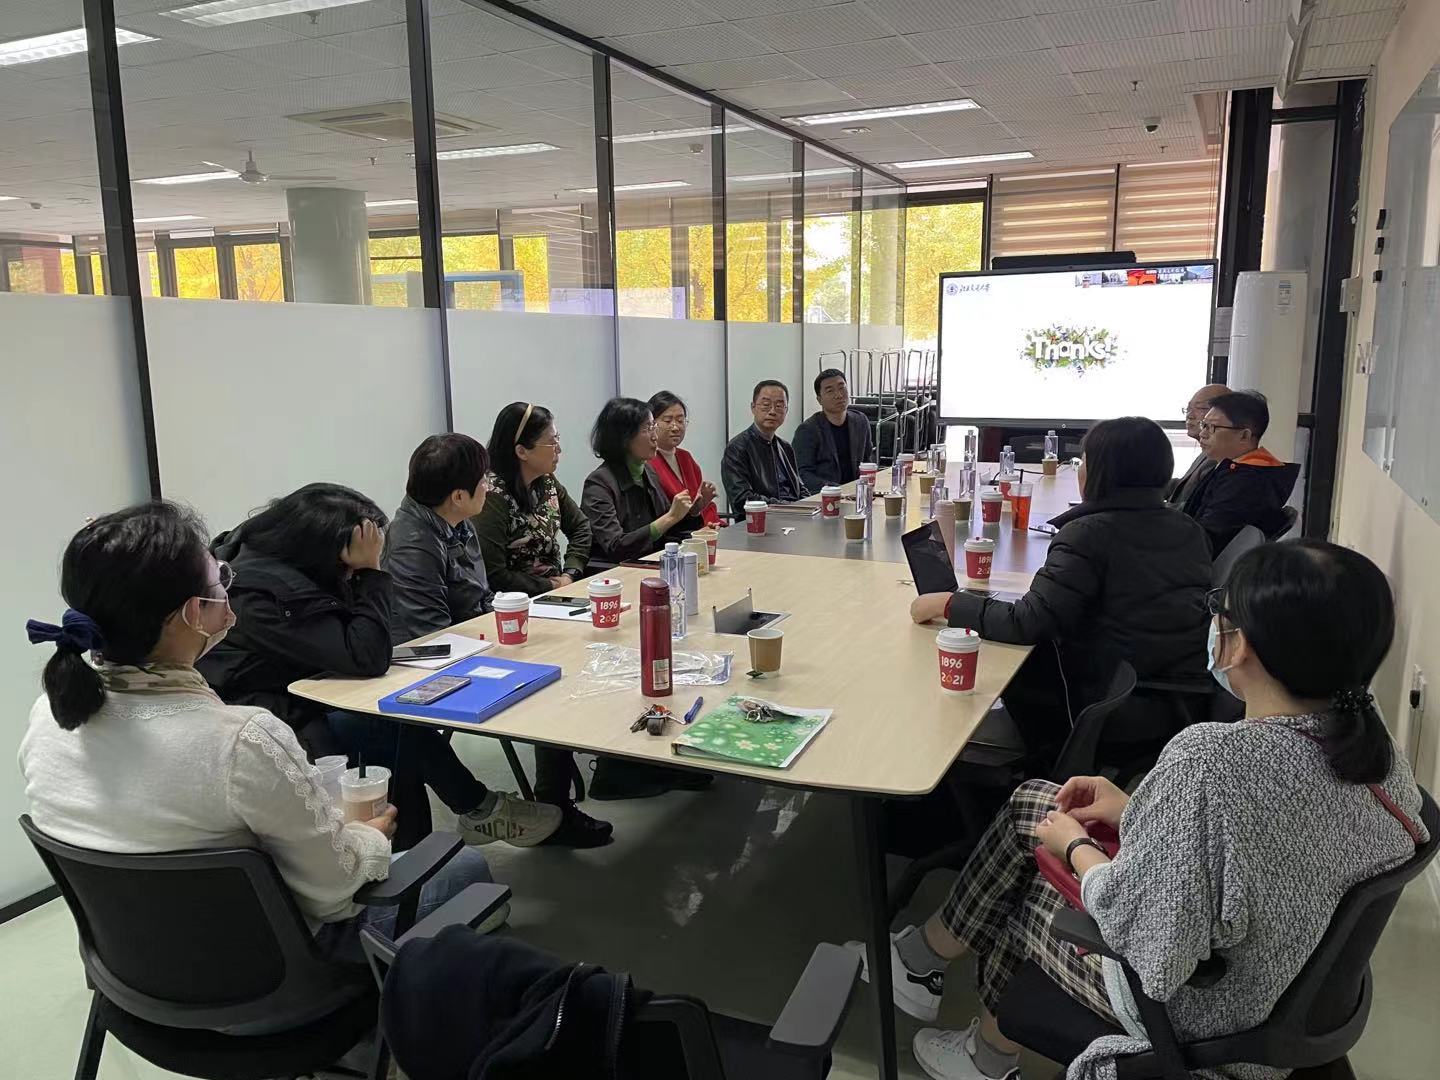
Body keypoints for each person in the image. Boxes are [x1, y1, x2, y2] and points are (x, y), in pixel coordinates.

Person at [864, 539, 1426, 1080]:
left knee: (1025, 887)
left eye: (1221, 610)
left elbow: (1153, 949)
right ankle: (935, 980)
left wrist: (1077, 850)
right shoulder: (1375, 751)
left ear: (1241, 645)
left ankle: (968, 1031)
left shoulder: (1211, 761)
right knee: (1032, 802)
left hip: (1203, 1017)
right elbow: (1263, 850)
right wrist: (1138, 810)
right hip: (1280, 991)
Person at [19, 502, 500, 970]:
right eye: (220, 580)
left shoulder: (49, 717)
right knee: (468, 868)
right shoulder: (242, 739)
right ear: (193, 612)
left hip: (133, 970)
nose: (230, 590)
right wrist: (365, 838)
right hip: (274, 975)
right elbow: (335, 890)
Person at [199, 483, 565, 851]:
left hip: (303, 689)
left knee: (397, 724)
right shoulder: (260, 593)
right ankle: (459, 823)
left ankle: (465, 817)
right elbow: (365, 656)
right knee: (390, 727)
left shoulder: (290, 567)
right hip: (265, 716)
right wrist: (371, 572)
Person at [910, 417, 1211, 760]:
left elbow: (1029, 622)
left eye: (1084, 462)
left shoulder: (1089, 534)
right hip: (1165, 692)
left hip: (1099, 699)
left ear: (1099, 473)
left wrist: (949, 604)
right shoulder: (1187, 527)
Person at [385, 433, 609, 848]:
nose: (489, 486)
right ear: (458, 496)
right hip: (427, 666)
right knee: (548, 680)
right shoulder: (412, 544)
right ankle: (545, 808)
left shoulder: (456, 522)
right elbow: (431, 639)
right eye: (482, 481)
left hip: (475, 641)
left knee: (566, 656)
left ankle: (554, 803)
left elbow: (479, 599)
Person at [474, 402, 592, 595]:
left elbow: (581, 527)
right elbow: (494, 575)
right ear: (522, 451)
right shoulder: (491, 495)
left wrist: (570, 573)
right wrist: (551, 586)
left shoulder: (546, 481)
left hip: (556, 591)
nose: (559, 449)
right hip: (515, 601)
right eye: (552, 443)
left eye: (557, 439)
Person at [582, 396, 703, 565]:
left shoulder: (648, 472)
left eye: (654, 427)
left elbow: (668, 531)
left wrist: (691, 513)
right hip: (613, 572)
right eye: (647, 429)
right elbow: (616, 547)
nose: (655, 436)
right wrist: (670, 517)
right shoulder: (599, 483)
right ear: (624, 437)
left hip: (650, 563)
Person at [1181, 390, 1300, 552]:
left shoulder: (1248, 481)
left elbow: (1205, 539)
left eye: (1212, 427)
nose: (1202, 434)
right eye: (1204, 425)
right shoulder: (1236, 468)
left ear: (1244, 435)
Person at [721, 379, 810, 520]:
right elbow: (742, 500)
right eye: (766, 405)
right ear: (753, 407)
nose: (772, 411)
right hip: (762, 523)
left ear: (786, 410)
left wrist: (811, 505)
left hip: (795, 517)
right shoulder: (737, 448)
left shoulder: (785, 447)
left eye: (779, 406)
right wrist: (789, 507)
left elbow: (800, 488)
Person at [648, 390, 722, 529]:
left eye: (680, 420)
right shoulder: (647, 461)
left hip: (699, 530)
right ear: (652, 424)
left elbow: (702, 506)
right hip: (672, 535)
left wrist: (708, 519)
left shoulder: (685, 457)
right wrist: (695, 512)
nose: (675, 427)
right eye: (668, 420)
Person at [792, 368, 874, 491]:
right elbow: (801, 474)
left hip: (856, 493)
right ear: (819, 399)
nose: (839, 395)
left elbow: (867, 461)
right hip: (825, 495)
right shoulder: (808, 430)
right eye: (830, 391)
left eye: (842, 388)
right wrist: (836, 489)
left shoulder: (860, 421)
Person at [1166, 382, 1228, 507]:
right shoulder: (1207, 449)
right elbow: (1186, 485)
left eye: (1199, 408)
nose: (1189, 415)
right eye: (1188, 408)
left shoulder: (1221, 456)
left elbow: (1196, 508)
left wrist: (1150, 507)